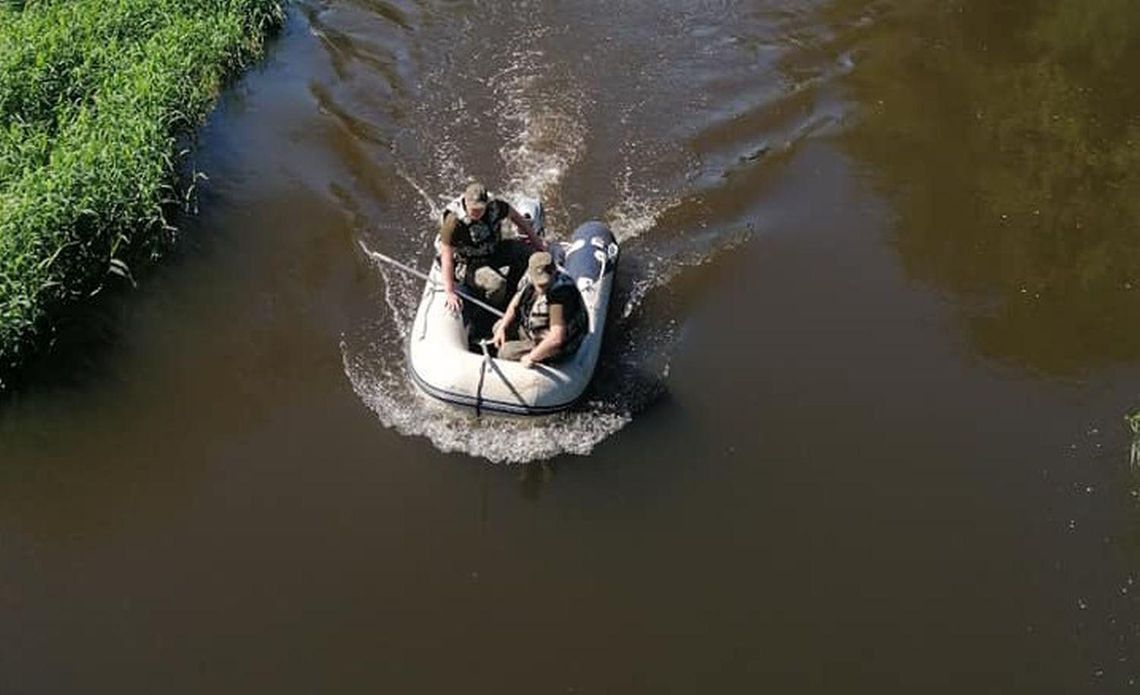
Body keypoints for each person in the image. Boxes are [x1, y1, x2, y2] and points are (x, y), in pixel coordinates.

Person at [439, 181, 544, 313]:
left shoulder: (495, 206)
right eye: (473, 209)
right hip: (469, 264)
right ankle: (494, 311)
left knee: (526, 253)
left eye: (480, 209)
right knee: (497, 285)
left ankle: (510, 292)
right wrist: (449, 291)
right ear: (466, 203)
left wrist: (538, 244)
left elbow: (517, 218)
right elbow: (446, 258)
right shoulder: (454, 222)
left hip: (493, 251)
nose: (476, 213)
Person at [492, 251, 587, 368]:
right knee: (497, 327)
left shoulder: (561, 294)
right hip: (533, 329)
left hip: (551, 342)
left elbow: (556, 337)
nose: (542, 287)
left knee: (505, 353)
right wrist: (503, 327)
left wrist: (532, 356)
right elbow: (515, 303)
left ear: (553, 273)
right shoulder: (529, 277)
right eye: (539, 284)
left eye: (545, 283)